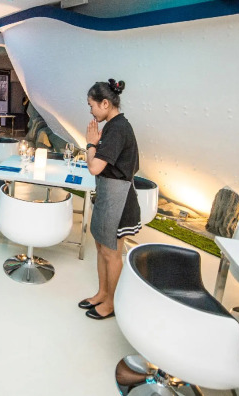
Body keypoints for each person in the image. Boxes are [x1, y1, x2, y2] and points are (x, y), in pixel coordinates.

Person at [79, 79, 141, 320]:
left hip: (119, 199)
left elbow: (94, 167)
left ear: (105, 103)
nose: (91, 111)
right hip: (107, 194)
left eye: (92, 105)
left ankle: (112, 303)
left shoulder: (118, 128)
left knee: (111, 252)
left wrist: (90, 143)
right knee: (100, 247)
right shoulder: (113, 126)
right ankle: (102, 294)